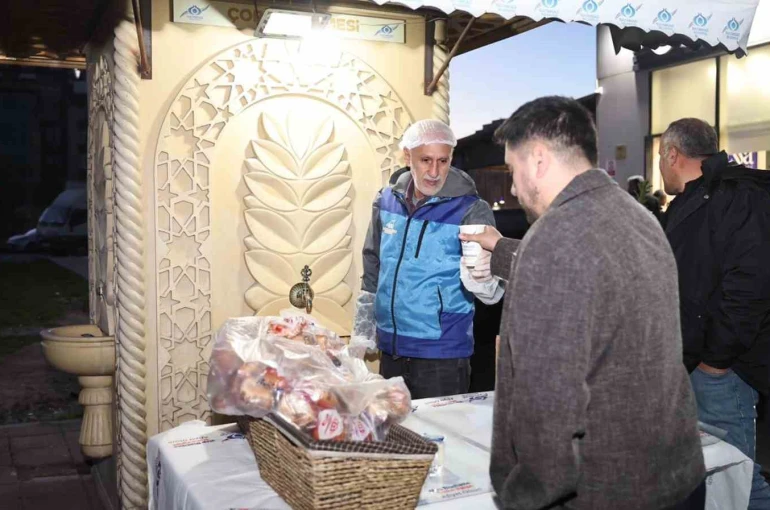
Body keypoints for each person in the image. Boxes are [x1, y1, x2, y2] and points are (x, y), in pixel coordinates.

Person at [461, 97, 705, 509]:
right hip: (675, 479)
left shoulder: (553, 240)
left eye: (513, 170)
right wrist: (500, 248)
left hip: (607, 493)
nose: (514, 187)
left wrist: (524, 497)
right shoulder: (638, 217)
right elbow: (589, 275)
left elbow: (550, 405)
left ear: (539, 159)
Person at [658, 118, 770, 509]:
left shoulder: (736, 196)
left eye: (661, 158)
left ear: (673, 154)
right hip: (696, 366)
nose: (661, 167)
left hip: (722, 372)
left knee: (738, 481)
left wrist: (715, 362)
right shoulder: (696, 199)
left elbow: (749, 289)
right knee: (717, 480)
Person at [349, 119, 504, 399]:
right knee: (394, 425)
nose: (434, 172)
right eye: (425, 160)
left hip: (442, 354)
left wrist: (487, 276)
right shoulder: (385, 200)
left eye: (443, 161)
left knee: (440, 429)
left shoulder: (471, 210)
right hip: (391, 347)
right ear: (407, 157)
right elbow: (373, 262)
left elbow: (490, 286)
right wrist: (363, 327)